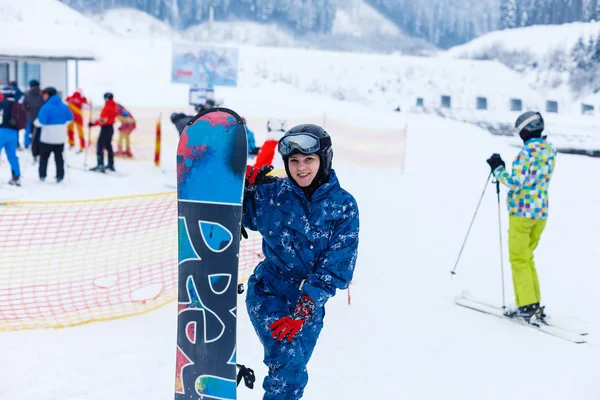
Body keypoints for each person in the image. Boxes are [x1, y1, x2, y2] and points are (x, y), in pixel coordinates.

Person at [242, 124, 360, 399]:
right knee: (288, 374)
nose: (301, 168)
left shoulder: (343, 207)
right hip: (269, 292)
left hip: (309, 304)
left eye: (309, 160)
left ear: (324, 160)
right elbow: (234, 209)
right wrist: (241, 184)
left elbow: (338, 266)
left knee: (293, 372)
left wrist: (306, 306)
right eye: (293, 161)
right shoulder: (271, 195)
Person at [486, 111, 557, 324]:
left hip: (521, 213)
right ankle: (533, 302)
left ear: (525, 131)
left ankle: (527, 305)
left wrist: (498, 169)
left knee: (518, 258)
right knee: (527, 257)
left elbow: (516, 182)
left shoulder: (526, 154)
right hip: (540, 213)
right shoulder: (550, 150)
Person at [35, 87, 73, 183]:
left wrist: (36, 122)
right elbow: (70, 118)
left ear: (48, 95)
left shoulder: (46, 107)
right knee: (59, 158)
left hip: (47, 137)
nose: (43, 96)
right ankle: (60, 176)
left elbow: (40, 121)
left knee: (44, 157)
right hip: (60, 138)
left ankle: (42, 175)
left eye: (44, 94)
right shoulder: (64, 106)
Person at [0, 87, 27, 186]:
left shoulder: (2, 104)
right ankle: (16, 177)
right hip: (14, 134)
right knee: (12, 155)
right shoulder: (18, 106)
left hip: (1, 132)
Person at [88, 92, 119, 173]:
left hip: (105, 128)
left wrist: (93, 124)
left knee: (100, 146)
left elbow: (103, 120)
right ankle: (110, 164)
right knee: (108, 146)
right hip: (110, 128)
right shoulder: (114, 106)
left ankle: (100, 164)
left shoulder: (107, 107)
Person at [22, 79, 44, 160]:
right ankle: (42, 153)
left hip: (31, 118)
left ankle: (35, 154)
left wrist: (28, 109)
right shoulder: (42, 93)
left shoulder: (27, 94)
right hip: (42, 119)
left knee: (33, 136)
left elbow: (23, 105)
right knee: (42, 136)